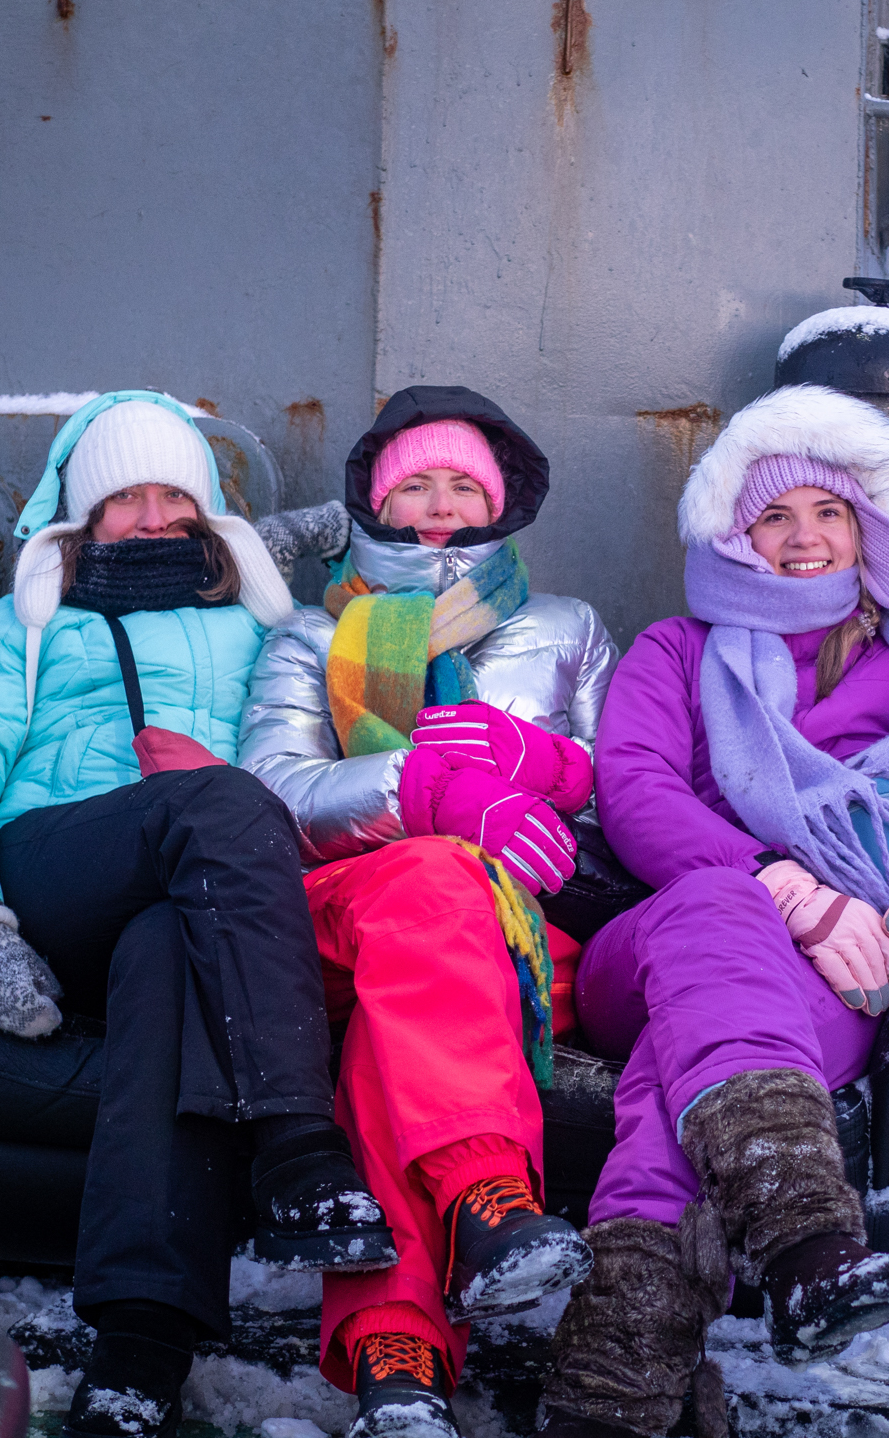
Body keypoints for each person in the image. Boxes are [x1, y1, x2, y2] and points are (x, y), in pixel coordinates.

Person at [538, 384, 889, 1438]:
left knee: (684, 1088)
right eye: (773, 516)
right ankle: (808, 1241)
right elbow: (635, 793)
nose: (803, 538)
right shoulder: (675, 652)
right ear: (734, 535)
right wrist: (785, 885)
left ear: (866, 529)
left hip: (842, 975)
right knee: (717, 902)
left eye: (828, 514)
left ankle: (612, 1391)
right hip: (660, 944)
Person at [0, 392, 398, 1438]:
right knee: (211, 800)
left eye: (176, 493)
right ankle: (299, 1149)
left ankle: (141, 1341)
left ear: (210, 512)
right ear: (84, 515)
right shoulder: (23, 626)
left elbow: (336, 749)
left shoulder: (266, 624)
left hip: (197, 909)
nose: (155, 515)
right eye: (127, 498)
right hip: (57, 870)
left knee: (168, 948)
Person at [241, 386, 619, 1438]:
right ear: (374, 496)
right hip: (350, 901)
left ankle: (393, 1364)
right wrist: (421, 794)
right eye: (417, 482)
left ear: (502, 500)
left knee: (399, 1009)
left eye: (464, 483)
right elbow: (271, 792)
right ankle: (489, 1203)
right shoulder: (311, 637)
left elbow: (626, 793)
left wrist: (538, 766)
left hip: (515, 930)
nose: (441, 503)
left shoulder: (568, 630)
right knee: (428, 881)